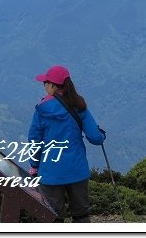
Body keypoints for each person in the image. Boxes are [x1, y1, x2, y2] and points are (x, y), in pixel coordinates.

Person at [27, 64, 106, 223]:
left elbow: (34, 141)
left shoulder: (42, 110)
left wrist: (34, 165)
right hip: (77, 170)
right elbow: (95, 138)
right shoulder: (79, 105)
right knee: (81, 215)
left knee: (53, 217)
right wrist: (101, 135)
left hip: (50, 173)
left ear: (52, 85)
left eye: (45, 83)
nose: (44, 86)